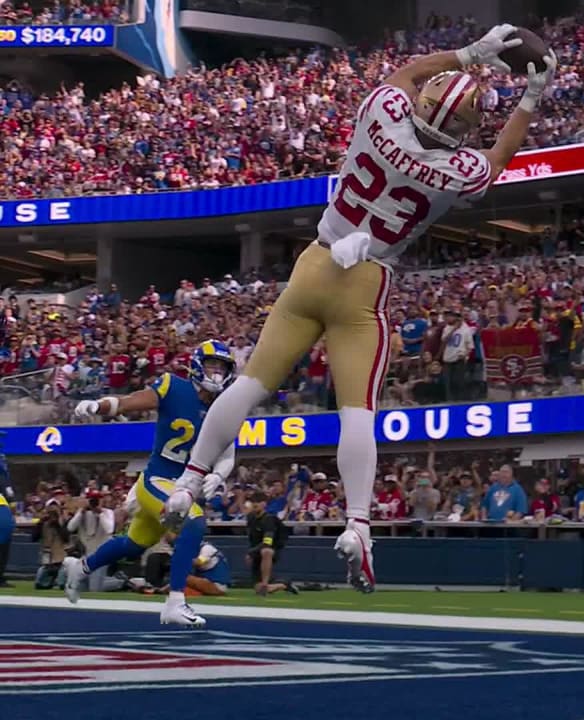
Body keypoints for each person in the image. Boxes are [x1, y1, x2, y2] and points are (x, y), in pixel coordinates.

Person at [164, 25, 560, 594]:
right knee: (356, 412)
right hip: (366, 280)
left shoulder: (383, 112)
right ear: (464, 127)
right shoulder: (457, 169)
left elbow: (405, 75)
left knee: (250, 383)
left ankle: (187, 480)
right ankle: (357, 525)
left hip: (316, 261)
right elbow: (497, 158)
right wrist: (530, 97)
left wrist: (469, 54)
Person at [62, 340, 237, 626]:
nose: (216, 373)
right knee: (193, 522)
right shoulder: (174, 387)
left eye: (222, 368)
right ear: (196, 366)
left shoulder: (227, 407)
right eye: (212, 366)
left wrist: (218, 475)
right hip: (158, 478)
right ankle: (175, 602)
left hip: (183, 485)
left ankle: (79, 568)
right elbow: (131, 401)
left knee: (134, 544)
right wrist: (100, 405)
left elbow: (228, 455)